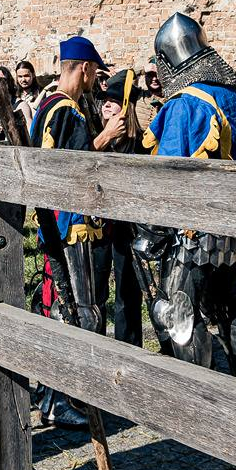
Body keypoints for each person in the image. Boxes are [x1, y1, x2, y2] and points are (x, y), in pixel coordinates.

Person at [141, 13, 236, 381]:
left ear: (167, 60)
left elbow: (168, 173)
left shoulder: (186, 102)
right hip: (232, 222)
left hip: (193, 229)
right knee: (228, 303)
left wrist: (151, 229)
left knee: (179, 311)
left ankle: (200, 394)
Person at [29, 36, 122, 428]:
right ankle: (64, 398)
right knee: (80, 311)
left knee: (61, 306)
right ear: (84, 68)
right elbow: (73, 167)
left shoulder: (47, 105)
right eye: (94, 72)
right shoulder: (66, 109)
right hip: (72, 225)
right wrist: (106, 136)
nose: (94, 80)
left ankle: (54, 395)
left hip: (58, 223)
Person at [91, 68, 147, 347]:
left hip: (127, 227)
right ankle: (97, 347)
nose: (107, 105)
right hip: (99, 225)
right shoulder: (95, 137)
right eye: (105, 100)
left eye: (113, 101)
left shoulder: (139, 143)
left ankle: (129, 348)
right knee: (96, 290)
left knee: (127, 292)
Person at [14, 60, 41, 129]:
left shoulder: (43, 94)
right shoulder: (13, 96)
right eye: (20, 76)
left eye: (26, 76)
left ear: (33, 75)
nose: (23, 79)